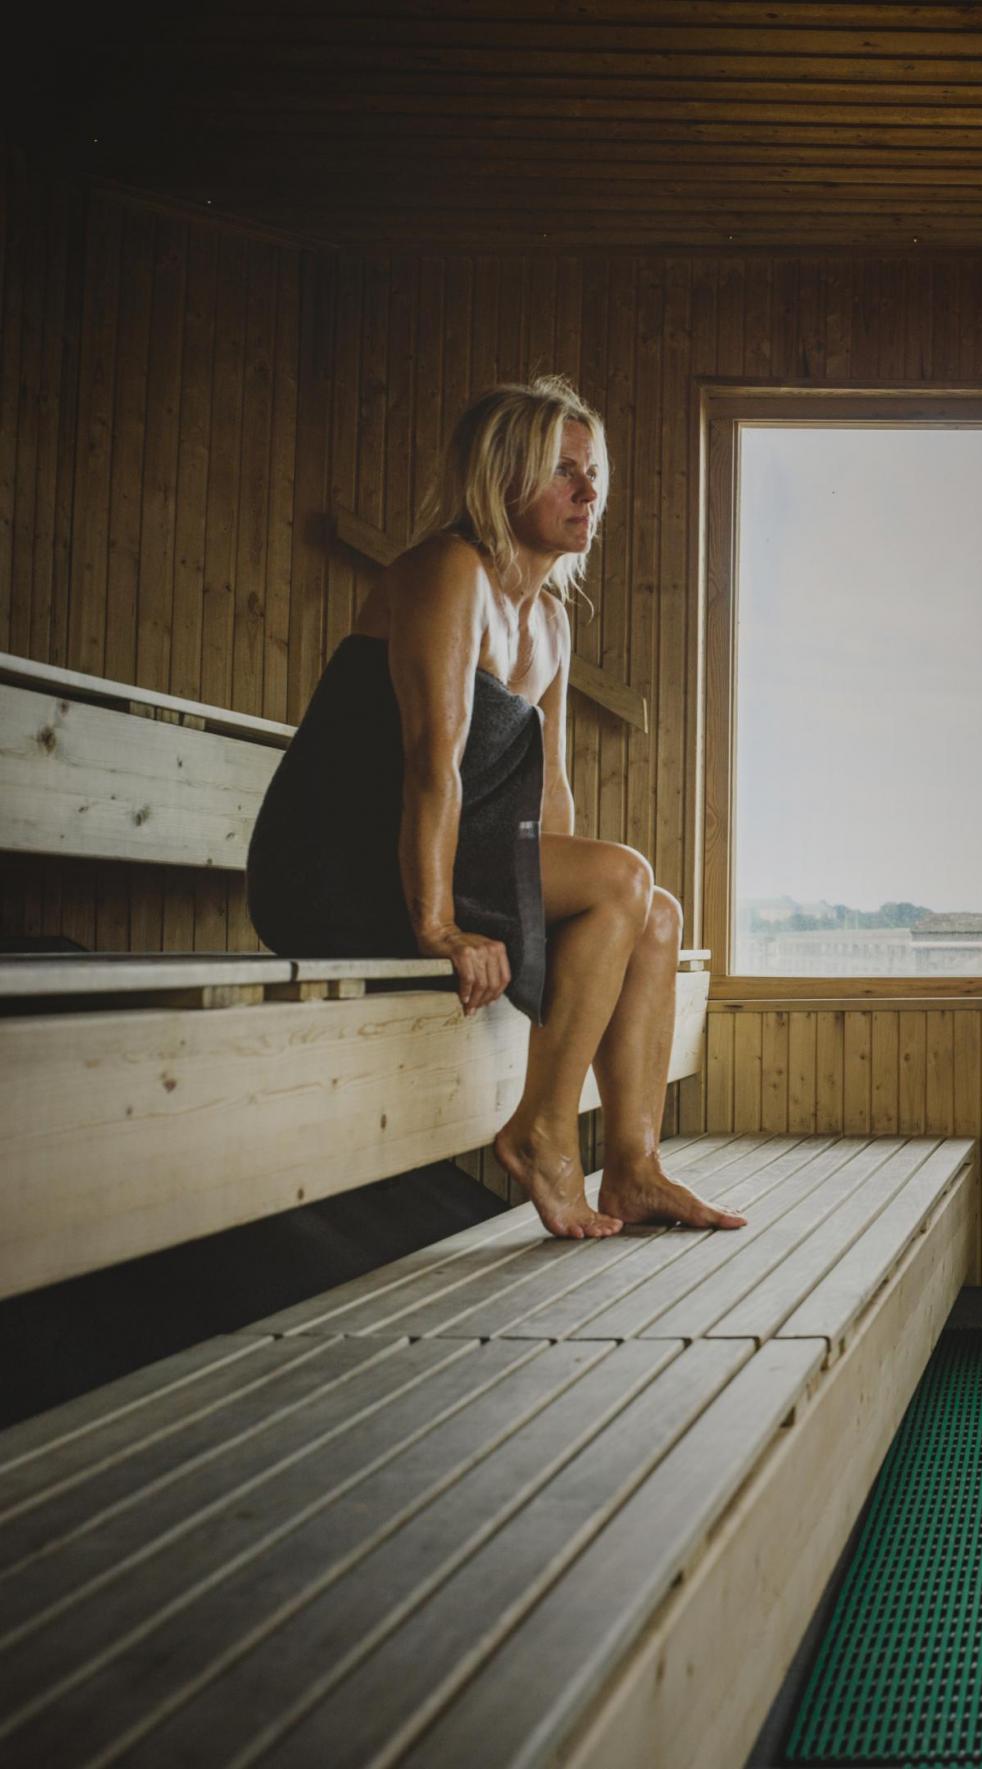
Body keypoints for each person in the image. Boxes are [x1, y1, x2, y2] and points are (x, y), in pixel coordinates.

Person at [247, 375, 744, 1240]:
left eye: (593, 474)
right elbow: (429, 762)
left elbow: (547, 786)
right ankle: (542, 1133)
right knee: (624, 879)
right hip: (339, 867)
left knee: (653, 914)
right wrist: (438, 926)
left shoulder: (549, 619)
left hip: (439, 857)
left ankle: (633, 1168)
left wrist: (566, 916)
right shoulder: (449, 571)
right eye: (562, 471)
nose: (588, 492)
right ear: (501, 475)